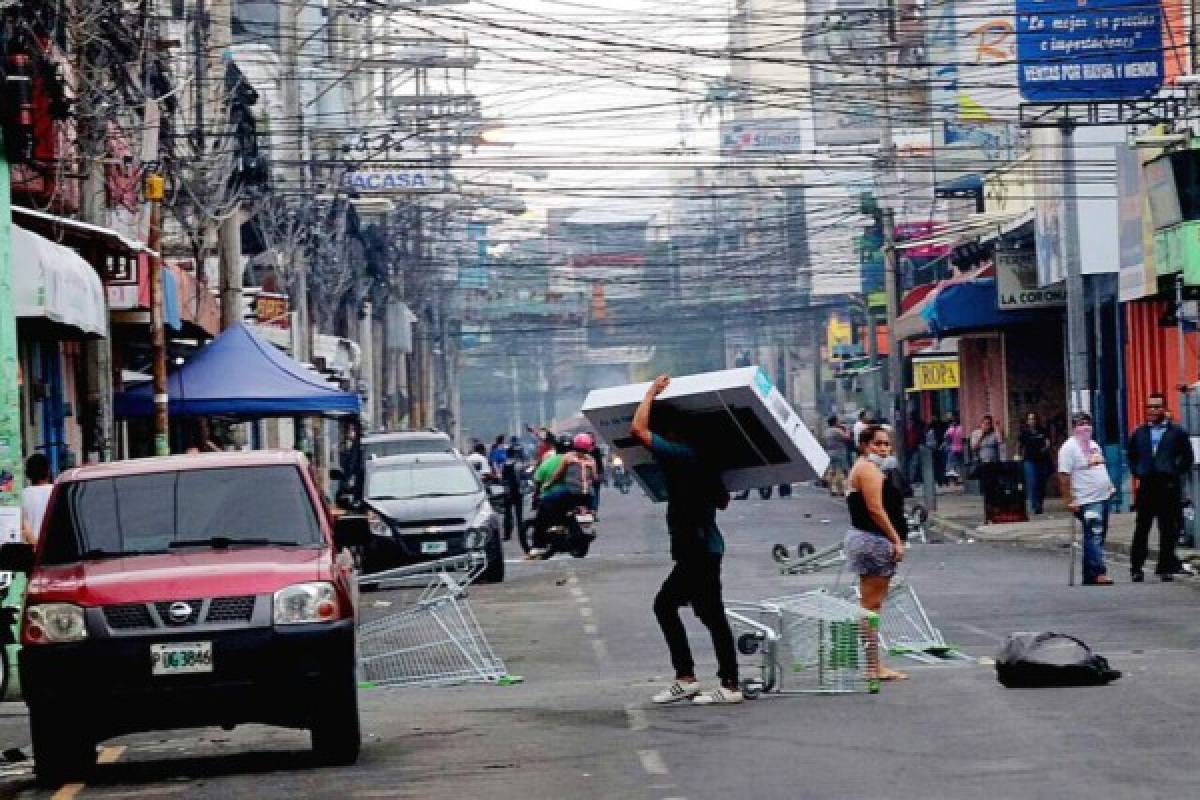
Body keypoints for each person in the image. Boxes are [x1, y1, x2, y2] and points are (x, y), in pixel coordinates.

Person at [631, 375, 741, 706]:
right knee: (708, 613)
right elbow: (722, 501)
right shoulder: (702, 459)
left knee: (668, 606)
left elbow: (638, 431)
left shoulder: (682, 455)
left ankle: (707, 680)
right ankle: (713, 679)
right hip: (704, 547)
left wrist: (650, 392)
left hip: (698, 549)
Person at [844, 425, 908, 682]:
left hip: (866, 539)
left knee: (870, 605)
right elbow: (876, 509)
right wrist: (895, 539)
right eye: (877, 444)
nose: (883, 449)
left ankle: (874, 665)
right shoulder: (868, 470)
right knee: (871, 606)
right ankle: (874, 667)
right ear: (864, 445)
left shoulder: (865, 468)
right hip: (873, 541)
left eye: (886, 444)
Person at [1127, 393, 1195, 582]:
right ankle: (1136, 568)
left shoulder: (1176, 432)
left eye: (1157, 407)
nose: (1153, 410)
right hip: (1147, 485)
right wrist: (1138, 471)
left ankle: (1165, 567)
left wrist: (1175, 471)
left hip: (1168, 485)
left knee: (1168, 529)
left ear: (1164, 409)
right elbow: (1131, 455)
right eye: (1150, 407)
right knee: (1142, 528)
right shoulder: (1139, 433)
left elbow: (1187, 457)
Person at [1058, 412, 1115, 586]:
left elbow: (1100, 467)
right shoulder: (1069, 448)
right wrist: (1069, 500)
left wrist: (1110, 485)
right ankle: (1098, 572)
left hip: (1102, 496)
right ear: (1074, 427)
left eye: (1088, 423)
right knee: (1094, 533)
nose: (1085, 427)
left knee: (1097, 535)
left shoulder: (1094, 445)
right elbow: (1063, 476)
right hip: (1086, 499)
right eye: (1081, 424)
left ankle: (1090, 573)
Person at [528, 434, 596, 560]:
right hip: (586, 495)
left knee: (542, 513)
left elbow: (552, 476)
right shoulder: (590, 459)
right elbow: (595, 477)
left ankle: (538, 545)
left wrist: (546, 485)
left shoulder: (554, 460)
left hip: (563, 495)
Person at [1019, 412, 1053, 515]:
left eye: (1033, 419)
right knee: (1032, 482)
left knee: (1041, 483)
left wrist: (1047, 447)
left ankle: (1039, 504)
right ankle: (1034, 505)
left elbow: (1048, 442)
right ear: (1027, 421)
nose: (1032, 421)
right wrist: (1018, 455)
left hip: (1042, 460)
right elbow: (1020, 445)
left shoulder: (1042, 431)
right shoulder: (1024, 432)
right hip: (1029, 460)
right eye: (1030, 419)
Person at [20, 453, 54, 546]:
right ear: (48, 471)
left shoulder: (22, 496)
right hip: (54, 548)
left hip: (31, 550)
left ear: (28, 474)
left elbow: (22, 527)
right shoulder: (56, 491)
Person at [501, 436, 525, 544]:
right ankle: (521, 533)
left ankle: (507, 534)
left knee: (508, 514)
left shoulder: (505, 464)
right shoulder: (520, 464)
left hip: (508, 491)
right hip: (518, 491)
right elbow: (523, 477)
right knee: (519, 514)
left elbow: (504, 479)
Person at [822, 415, 851, 497]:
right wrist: (847, 429)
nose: (839, 422)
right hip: (840, 452)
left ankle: (832, 489)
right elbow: (847, 437)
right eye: (838, 421)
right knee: (845, 471)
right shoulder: (836, 430)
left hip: (830, 452)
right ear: (835, 422)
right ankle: (845, 490)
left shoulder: (826, 432)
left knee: (832, 472)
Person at [944, 414, 964, 483]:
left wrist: (948, 445)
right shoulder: (958, 428)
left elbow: (946, 437)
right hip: (958, 448)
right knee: (957, 464)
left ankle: (956, 478)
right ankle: (957, 478)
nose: (953, 422)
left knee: (953, 464)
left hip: (955, 448)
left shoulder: (952, 429)